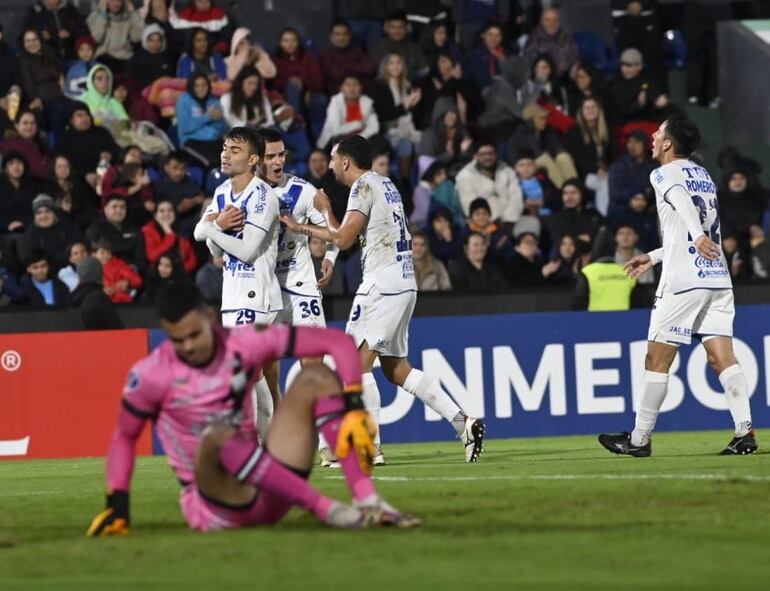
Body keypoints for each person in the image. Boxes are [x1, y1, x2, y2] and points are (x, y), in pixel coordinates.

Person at [86, 282, 419, 537]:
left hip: (269, 490)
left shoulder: (244, 342)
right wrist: (118, 503)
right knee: (216, 434)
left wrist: (353, 404)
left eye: (193, 335)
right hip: (214, 505)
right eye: (177, 340)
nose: (187, 347)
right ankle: (326, 509)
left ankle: (368, 502)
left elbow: (336, 343)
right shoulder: (150, 374)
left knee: (316, 376)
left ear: (210, 318)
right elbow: (124, 438)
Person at [281, 136, 486, 464]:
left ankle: (370, 447)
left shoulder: (362, 187)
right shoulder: (386, 182)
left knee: (355, 364)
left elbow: (344, 238)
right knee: (395, 369)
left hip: (381, 286)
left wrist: (309, 220)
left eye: (334, 159)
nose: (331, 165)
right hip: (405, 284)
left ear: (346, 162)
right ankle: (464, 424)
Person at [599, 115, 757, 457]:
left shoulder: (663, 173)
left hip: (685, 282)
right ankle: (744, 431)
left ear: (668, 144)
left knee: (656, 358)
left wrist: (697, 237)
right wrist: (654, 257)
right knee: (722, 358)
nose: (653, 136)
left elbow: (686, 211)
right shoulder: (703, 174)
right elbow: (691, 226)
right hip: (716, 276)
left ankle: (639, 440)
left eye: (658, 132)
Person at [194, 127, 282, 437]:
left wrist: (212, 228)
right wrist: (216, 228)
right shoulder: (221, 193)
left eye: (234, 150)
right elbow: (210, 246)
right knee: (255, 381)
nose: (225, 154)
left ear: (253, 159)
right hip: (232, 296)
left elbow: (245, 251)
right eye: (225, 148)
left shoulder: (262, 196)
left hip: (258, 295)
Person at [259, 128, 341, 466]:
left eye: (281, 155)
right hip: (264, 288)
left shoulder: (302, 191)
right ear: (256, 159)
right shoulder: (248, 193)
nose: (278, 162)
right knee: (267, 371)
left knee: (313, 364)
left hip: (300, 282)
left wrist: (330, 257)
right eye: (270, 156)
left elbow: (336, 229)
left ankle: (325, 444)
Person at [368, 52, 422, 182]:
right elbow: (384, 114)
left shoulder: (408, 87)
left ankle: (420, 183)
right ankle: (405, 182)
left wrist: (415, 104)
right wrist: (405, 106)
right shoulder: (378, 86)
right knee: (405, 144)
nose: (395, 66)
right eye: (391, 63)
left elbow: (414, 116)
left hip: (408, 129)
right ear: (385, 67)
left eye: (398, 62)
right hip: (387, 131)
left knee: (423, 142)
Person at [271, 27, 327, 142]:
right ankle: (298, 128)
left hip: (307, 94)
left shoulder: (307, 57)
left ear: (298, 42)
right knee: (292, 88)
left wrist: (305, 85)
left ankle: (319, 142)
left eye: (293, 40)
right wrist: (289, 81)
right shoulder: (275, 59)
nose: (290, 44)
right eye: (286, 41)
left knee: (320, 100)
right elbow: (273, 83)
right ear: (280, 43)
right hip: (283, 98)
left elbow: (318, 80)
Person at [507, 104, 578, 189]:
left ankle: (576, 188)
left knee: (563, 157)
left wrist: (559, 152)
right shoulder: (518, 136)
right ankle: (563, 191)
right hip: (527, 165)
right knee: (544, 159)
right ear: (531, 121)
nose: (545, 121)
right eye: (541, 118)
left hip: (548, 159)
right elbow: (513, 158)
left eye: (545, 118)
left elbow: (557, 146)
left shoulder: (548, 129)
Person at [455, 142, 523, 226]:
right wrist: (490, 221)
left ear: (496, 155)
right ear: (476, 156)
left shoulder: (508, 171)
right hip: (482, 224)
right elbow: (469, 205)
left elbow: (516, 197)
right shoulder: (465, 176)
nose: (487, 157)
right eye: (483, 154)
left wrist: (508, 220)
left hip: (510, 222)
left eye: (490, 153)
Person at [18, 27, 68, 134]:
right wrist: (35, 98)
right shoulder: (23, 59)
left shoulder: (48, 52)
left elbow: (59, 67)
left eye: (35, 39)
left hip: (59, 92)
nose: (32, 44)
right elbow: (28, 82)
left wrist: (61, 76)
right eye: (28, 41)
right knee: (56, 114)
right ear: (23, 43)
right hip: (42, 97)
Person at [176, 72, 228, 169]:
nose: (201, 88)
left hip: (213, 141)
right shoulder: (184, 100)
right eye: (197, 86)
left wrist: (210, 130)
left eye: (204, 85)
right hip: (191, 142)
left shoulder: (214, 101)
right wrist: (208, 117)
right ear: (192, 86)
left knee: (231, 161)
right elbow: (185, 128)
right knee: (210, 163)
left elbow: (222, 126)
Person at [19, 193, 82, 272]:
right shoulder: (30, 235)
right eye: (39, 213)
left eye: (47, 211)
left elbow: (76, 247)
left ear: (54, 213)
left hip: (72, 268)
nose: (43, 216)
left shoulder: (66, 225)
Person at [56, 102, 119, 180]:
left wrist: (109, 155)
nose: (85, 118)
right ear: (71, 120)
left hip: (106, 176)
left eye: (87, 114)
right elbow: (62, 166)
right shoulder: (64, 138)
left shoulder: (101, 132)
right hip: (78, 180)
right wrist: (85, 176)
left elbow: (116, 150)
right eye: (79, 115)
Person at [316, 75, 379, 151]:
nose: (352, 88)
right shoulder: (335, 102)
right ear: (341, 88)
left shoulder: (367, 102)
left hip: (359, 140)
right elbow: (336, 130)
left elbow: (374, 127)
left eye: (355, 85)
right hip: (336, 140)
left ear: (360, 88)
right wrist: (358, 124)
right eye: (348, 85)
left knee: (378, 141)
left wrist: (360, 138)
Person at [319, 20, 375, 97]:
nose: (341, 38)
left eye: (345, 34)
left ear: (350, 36)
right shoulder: (325, 55)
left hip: (361, 91)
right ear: (331, 37)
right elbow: (336, 75)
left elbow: (370, 69)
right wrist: (356, 68)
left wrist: (346, 68)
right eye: (337, 34)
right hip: (337, 94)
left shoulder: (358, 51)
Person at [141, 199, 197, 274]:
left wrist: (179, 271)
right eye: (162, 211)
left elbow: (192, 260)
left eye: (170, 210)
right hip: (158, 275)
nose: (166, 214)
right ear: (155, 215)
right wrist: (169, 235)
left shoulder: (182, 228)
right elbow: (152, 257)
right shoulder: (148, 230)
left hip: (182, 274)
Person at [86, 0, 143, 74]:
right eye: (112, 0)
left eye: (118, 1)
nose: (115, 4)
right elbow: (96, 38)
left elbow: (137, 37)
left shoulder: (128, 18)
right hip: (102, 58)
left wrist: (133, 13)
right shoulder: (95, 16)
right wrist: (103, 15)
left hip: (123, 57)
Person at [70, 254, 124, 329]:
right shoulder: (99, 298)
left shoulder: (72, 298)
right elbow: (116, 328)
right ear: (99, 273)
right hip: (102, 339)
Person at [522, 7, 579, 77]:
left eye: (555, 20)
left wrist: (575, 67)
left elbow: (575, 58)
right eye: (547, 20)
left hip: (565, 78)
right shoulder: (534, 38)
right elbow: (529, 64)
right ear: (542, 22)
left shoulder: (566, 37)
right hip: (543, 79)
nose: (552, 23)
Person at [23, 0, 88, 61]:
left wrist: (70, 34)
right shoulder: (35, 12)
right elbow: (24, 35)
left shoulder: (70, 9)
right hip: (47, 61)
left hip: (73, 57)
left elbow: (85, 33)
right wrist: (40, 36)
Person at [369, 11, 428, 78]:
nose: (397, 31)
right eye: (393, 27)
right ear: (387, 28)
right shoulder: (379, 47)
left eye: (401, 27)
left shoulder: (415, 48)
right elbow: (375, 71)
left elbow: (424, 70)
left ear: (406, 28)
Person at [85, 194, 140, 264]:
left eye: (122, 207)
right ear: (106, 209)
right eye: (114, 207)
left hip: (132, 270)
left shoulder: (134, 228)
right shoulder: (95, 229)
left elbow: (140, 257)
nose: (118, 210)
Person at [0, 109, 51, 180]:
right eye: (25, 123)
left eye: (33, 123)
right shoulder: (9, 144)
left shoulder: (40, 143)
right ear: (16, 125)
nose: (29, 126)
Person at [93, 238, 143, 303]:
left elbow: (137, 280)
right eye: (102, 253)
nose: (106, 256)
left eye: (108, 252)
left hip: (121, 302)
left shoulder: (120, 265)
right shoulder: (90, 268)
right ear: (94, 255)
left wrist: (128, 282)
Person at [0, 151, 38, 233]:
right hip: (5, 230)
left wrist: (24, 223)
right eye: (11, 164)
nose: (16, 166)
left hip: (30, 228)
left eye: (19, 163)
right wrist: (7, 224)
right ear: (5, 169)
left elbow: (36, 209)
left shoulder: (33, 185)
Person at [126, 24, 172, 89]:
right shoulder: (136, 59)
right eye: (151, 40)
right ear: (146, 41)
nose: (155, 44)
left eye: (158, 40)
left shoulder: (166, 59)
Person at [65, 35, 98, 100]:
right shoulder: (73, 70)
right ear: (78, 52)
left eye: (89, 49)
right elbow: (70, 90)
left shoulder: (99, 67)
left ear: (93, 51)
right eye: (82, 50)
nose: (85, 53)